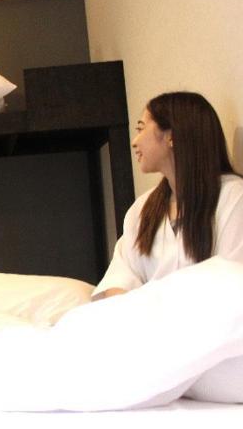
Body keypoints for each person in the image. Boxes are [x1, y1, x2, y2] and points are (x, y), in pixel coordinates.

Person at [92, 92, 243, 300]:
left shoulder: (233, 197)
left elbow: (233, 280)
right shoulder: (142, 208)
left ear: (171, 135)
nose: (134, 141)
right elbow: (119, 281)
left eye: (141, 128)